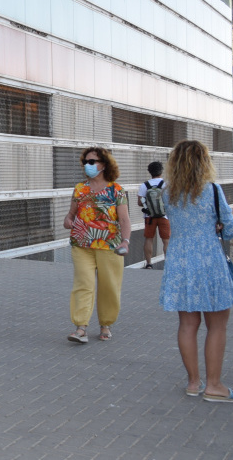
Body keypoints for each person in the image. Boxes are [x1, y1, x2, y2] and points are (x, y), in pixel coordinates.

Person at [160, 140, 233, 403]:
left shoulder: (168, 193)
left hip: (180, 262)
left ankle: (193, 383)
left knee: (187, 324)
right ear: (205, 162)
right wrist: (220, 225)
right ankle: (214, 386)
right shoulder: (214, 191)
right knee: (217, 326)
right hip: (209, 263)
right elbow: (229, 229)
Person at [62, 146, 131, 344]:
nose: (88, 166)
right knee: (83, 284)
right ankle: (80, 327)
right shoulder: (80, 188)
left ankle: (105, 324)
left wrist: (125, 241)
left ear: (104, 164)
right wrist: (67, 220)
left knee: (109, 287)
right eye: (85, 162)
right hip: (81, 244)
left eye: (92, 162)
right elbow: (71, 214)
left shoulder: (116, 190)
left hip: (110, 245)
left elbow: (124, 219)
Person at [138, 161, 170, 269]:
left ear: (150, 172)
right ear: (161, 171)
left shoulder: (145, 185)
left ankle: (149, 264)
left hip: (149, 217)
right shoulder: (166, 184)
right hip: (164, 216)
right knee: (166, 240)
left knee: (149, 239)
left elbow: (139, 202)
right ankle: (168, 263)